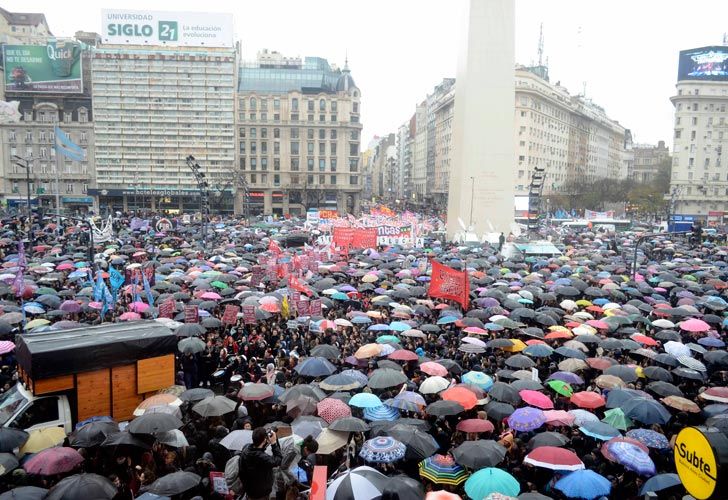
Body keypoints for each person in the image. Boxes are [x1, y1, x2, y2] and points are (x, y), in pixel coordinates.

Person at [239, 427, 282, 500]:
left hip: (249, 491)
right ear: (264, 439)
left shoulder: (246, 450)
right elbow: (278, 460)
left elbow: (258, 448)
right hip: (261, 494)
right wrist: (274, 443)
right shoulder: (262, 458)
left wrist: (265, 442)